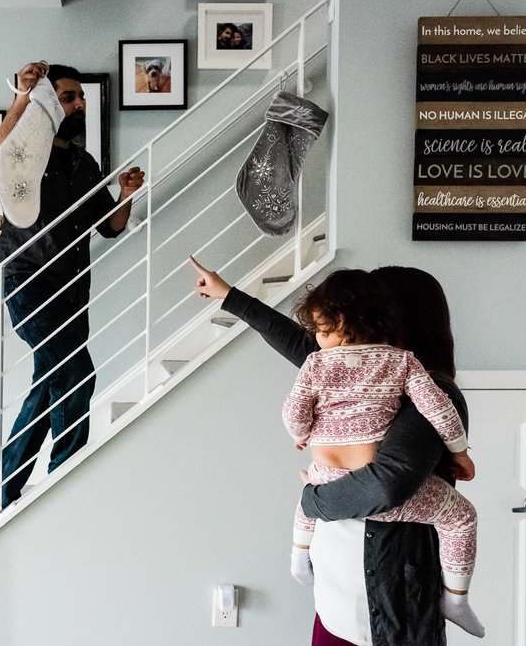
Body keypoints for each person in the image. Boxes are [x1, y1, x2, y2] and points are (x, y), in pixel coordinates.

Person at [190, 257, 477, 645]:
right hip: (335, 601)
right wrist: (229, 296)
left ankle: (455, 600)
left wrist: (313, 500)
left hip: (386, 613)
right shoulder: (351, 367)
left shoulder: (427, 387)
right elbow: (296, 341)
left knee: (460, 517)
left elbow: (386, 486)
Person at [282, 269, 483, 638]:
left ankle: (297, 555)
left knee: (308, 488)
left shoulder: (319, 365)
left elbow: (294, 413)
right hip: (341, 601)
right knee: (461, 516)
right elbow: (438, 416)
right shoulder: (402, 364)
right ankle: (456, 599)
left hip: (359, 604)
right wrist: (461, 451)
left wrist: (303, 442)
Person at [0, 61, 146, 510]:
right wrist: (20, 98)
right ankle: (67, 476)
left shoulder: (83, 161)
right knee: (77, 373)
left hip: (73, 289)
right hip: (29, 280)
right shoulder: (22, 148)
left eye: (81, 97)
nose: (79, 103)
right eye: (69, 97)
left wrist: (127, 195)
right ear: (49, 102)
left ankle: (2, 487)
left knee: (49, 378)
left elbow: (109, 227)